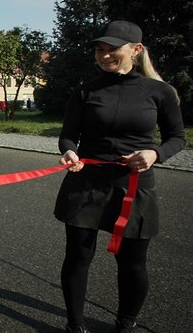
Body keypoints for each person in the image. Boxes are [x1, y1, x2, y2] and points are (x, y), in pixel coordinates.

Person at [55, 21, 186, 333]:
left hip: (133, 187)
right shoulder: (85, 90)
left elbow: (177, 138)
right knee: (77, 257)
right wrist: (70, 151)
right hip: (85, 183)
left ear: (136, 50)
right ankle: (75, 324)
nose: (104, 55)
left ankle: (125, 322)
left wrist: (155, 154)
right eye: (100, 50)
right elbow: (68, 135)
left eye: (112, 49)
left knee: (132, 263)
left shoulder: (160, 92)